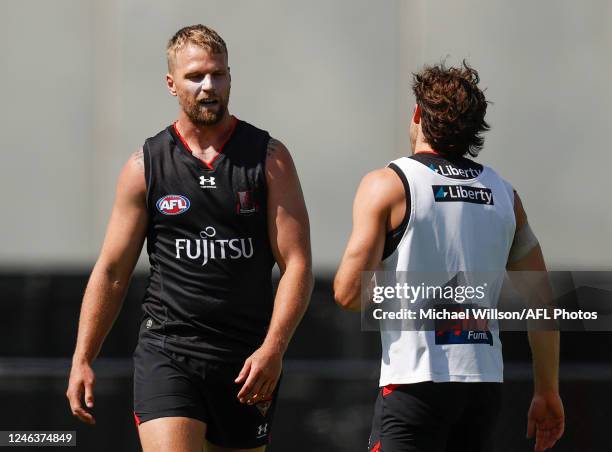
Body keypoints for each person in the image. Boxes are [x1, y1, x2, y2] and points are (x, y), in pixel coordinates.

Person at [66, 24, 313, 452]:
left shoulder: (269, 158)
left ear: (230, 77)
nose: (208, 86)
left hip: (246, 362)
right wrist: (83, 357)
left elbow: (297, 265)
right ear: (171, 84)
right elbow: (111, 272)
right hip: (168, 350)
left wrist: (274, 348)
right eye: (195, 76)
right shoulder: (145, 165)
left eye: (217, 74)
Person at [333, 61, 564, 452]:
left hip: (414, 386)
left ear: (418, 114)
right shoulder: (505, 195)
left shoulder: (388, 184)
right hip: (483, 390)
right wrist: (547, 392)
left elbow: (349, 295)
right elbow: (541, 302)